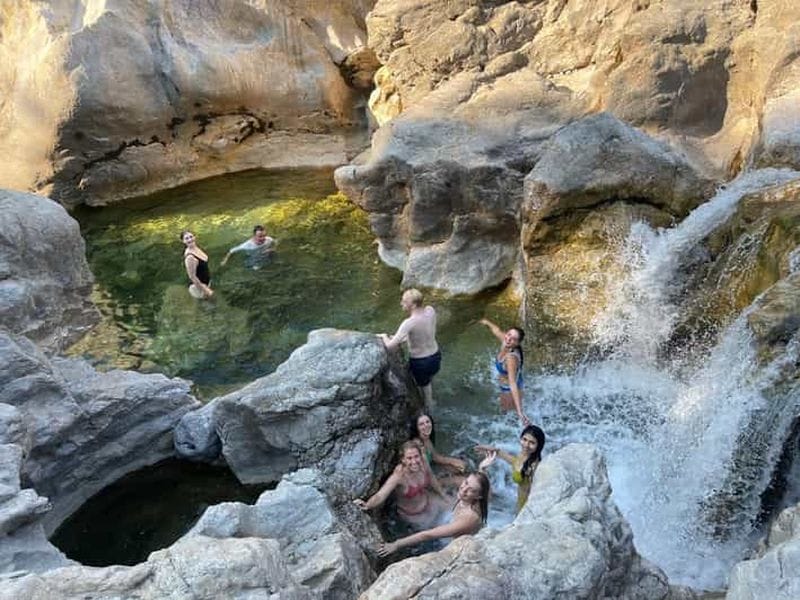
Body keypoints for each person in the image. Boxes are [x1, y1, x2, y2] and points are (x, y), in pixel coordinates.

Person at [376, 468, 492, 557]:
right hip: (454, 534)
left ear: (478, 496)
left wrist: (396, 544)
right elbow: (480, 488)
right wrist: (483, 468)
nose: (464, 489)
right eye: (465, 482)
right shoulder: (467, 498)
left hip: (459, 550)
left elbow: (428, 535)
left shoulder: (469, 517)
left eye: (471, 490)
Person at [353, 441, 448, 530]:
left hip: (429, 500)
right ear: (403, 459)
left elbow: (431, 478)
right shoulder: (399, 476)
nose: (414, 461)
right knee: (441, 530)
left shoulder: (423, 462)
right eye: (409, 458)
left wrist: (443, 494)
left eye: (416, 456)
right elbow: (381, 495)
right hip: (414, 515)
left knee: (454, 507)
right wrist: (367, 505)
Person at [380, 289, 440, 409]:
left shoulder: (409, 323)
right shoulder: (430, 310)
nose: (401, 303)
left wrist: (384, 336)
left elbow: (389, 346)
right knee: (428, 382)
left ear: (412, 305)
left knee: (426, 394)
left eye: (404, 301)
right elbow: (424, 332)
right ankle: (430, 400)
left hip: (420, 362)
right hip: (436, 356)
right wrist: (405, 338)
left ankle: (429, 413)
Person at [475, 424, 545, 514]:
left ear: (539, 445)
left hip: (527, 508)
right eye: (524, 439)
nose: (526, 445)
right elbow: (515, 461)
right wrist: (494, 450)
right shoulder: (524, 455)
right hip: (521, 503)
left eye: (532, 442)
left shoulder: (534, 467)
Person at [479, 317, 530, 426]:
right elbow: (496, 330)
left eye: (513, 339)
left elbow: (512, 383)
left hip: (509, 390)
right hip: (506, 385)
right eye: (508, 334)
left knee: (507, 421)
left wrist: (520, 411)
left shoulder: (510, 359)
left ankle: (523, 419)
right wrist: (485, 321)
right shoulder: (506, 341)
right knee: (504, 415)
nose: (508, 339)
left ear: (517, 343)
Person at [410, 413, 467, 479]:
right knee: (461, 480)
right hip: (423, 478)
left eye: (427, 422)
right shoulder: (417, 445)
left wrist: (454, 461)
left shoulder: (426, 439)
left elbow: (436, 457)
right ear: (416, 428)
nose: (426, 425)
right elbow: (419, 472)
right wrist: (441, 476)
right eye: (421, 424)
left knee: (460, 468)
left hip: (430, 470)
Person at [181, 230, 213, 299]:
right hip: (198, 288)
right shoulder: (190, 257)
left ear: (194, 237)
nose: (190, 239)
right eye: (186, 238)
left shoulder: (195, 247)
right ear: (183, 241)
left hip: (205, 282)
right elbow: (192, 277)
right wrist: (206, 290)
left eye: (191, 237)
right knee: (209, 306)